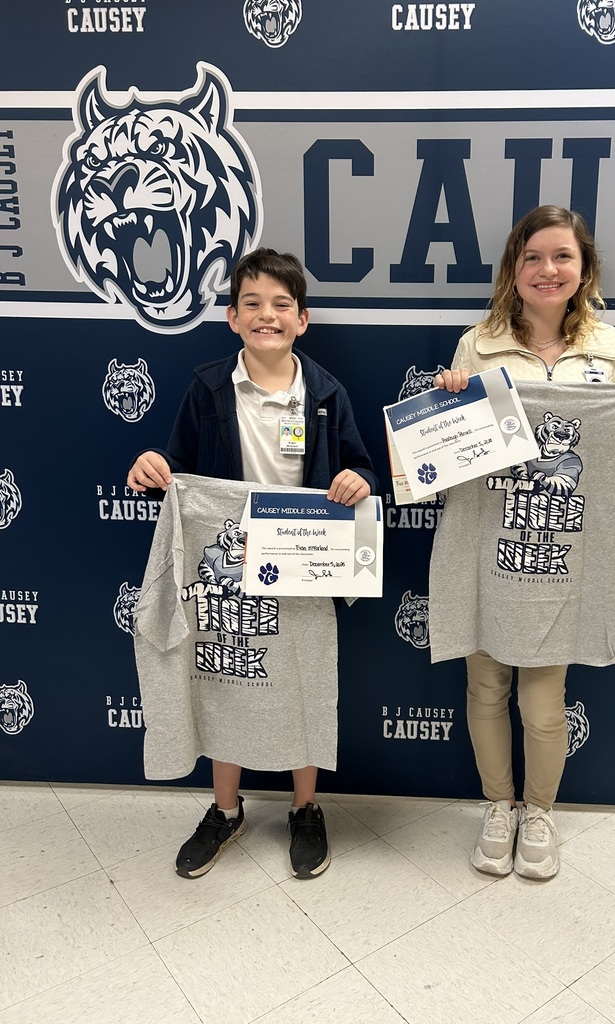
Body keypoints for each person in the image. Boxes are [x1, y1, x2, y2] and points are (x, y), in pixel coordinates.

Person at [128, 248, 377, 880]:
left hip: (304, 561)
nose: (267, 314)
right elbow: (179, 470)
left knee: (304, 677)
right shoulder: (209, 386)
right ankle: (225, 808)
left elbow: (365, 467)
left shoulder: (325, 393)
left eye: (281, 305)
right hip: (226, 563)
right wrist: (153, 470)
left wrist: (356, 480)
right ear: (233, 318)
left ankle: (305, 807)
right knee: (225, 680)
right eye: (252, 303)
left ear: (302, 320)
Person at [434, 206, 615, 880]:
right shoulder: (478, 344)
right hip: (488, 544)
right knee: (485, 688)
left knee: (542, 702)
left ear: (584, 268)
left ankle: (539, 810)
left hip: (559, 558)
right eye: (532, 257)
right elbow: (447, 457)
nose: (546, 270)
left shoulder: (607, 348)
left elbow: (614, 449)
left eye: (561, 257)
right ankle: (499, 805)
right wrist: (450, 398)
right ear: (514, 267)